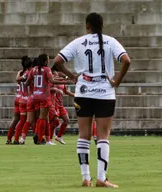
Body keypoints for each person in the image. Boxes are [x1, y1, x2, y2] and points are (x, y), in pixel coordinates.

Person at [53, 12, 131, 188]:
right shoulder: (110, 41)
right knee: (103, 136)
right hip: (104, 92)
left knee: (84, 136)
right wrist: (116, 81)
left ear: (87, 26)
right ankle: (101, 179)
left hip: (84, 91)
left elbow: (58, 61)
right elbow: (126, 60)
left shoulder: (79, 42)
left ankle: (85, 177)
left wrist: (73, 77)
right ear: (102, 26)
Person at [25, 54, 72, 145]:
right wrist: (66, 81)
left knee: (43, 118)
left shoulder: (33, 70)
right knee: (43, 118)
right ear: (45, 61)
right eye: (48, 59)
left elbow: (27, 83)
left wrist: (33, 90)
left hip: (35, 97)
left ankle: (45, 138)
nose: (49, 61)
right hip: (44, 97)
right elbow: (52, 81)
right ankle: (39, 138)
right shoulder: (47, 69)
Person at [6, 55, 28, 144]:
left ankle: (8, 138)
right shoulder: (29, 73)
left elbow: (17, 80)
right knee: (25, 120)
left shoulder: (20, 72)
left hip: (17, 98)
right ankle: (16, 139)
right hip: (24, 98)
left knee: (16, 120)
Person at [13, 57, 33, 144]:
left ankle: (16, 139)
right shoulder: (29, 73)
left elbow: (18, 80)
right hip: (29, 100)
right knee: (32, 120)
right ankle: (40, 138)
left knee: (22, 121)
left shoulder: (22, 73)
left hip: (22, 99)